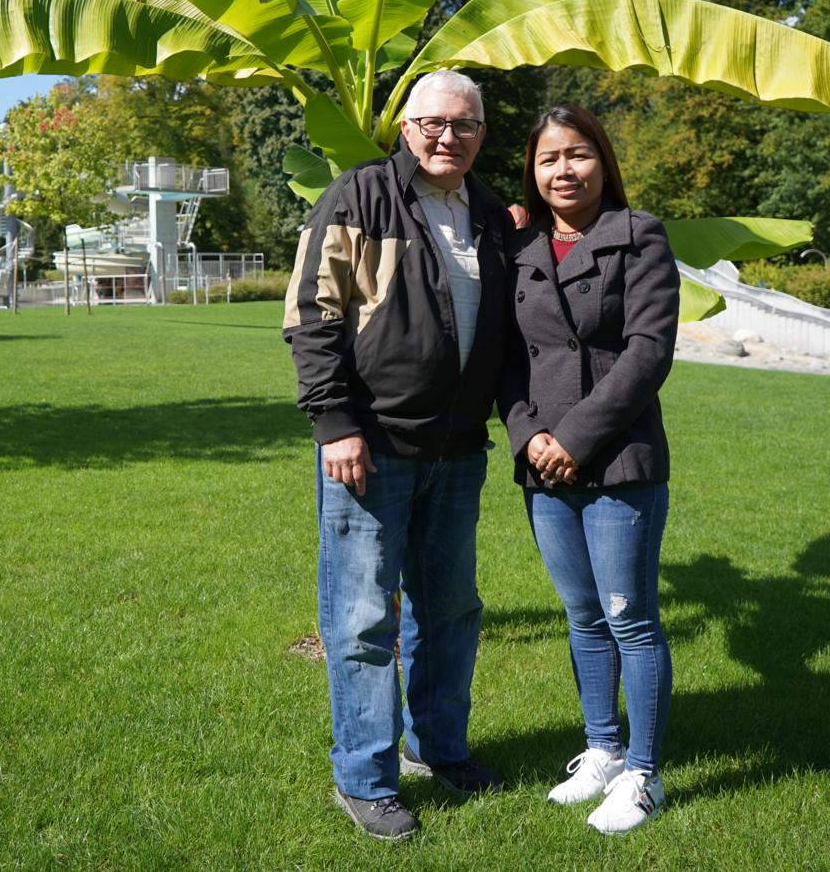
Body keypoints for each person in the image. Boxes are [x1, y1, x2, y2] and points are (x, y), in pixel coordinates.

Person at [283, 70, 513, 841]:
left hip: (456, 450)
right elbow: (312, 314)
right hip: (371, 448)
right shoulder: (359, 195)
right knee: (361, 620)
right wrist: (334, 422)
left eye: (465, 124)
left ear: (483, 132)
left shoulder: (489, 212)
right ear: (407, 127)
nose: (448, 136)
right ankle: (365, 778)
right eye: (434, 122)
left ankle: (438, 748)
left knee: (450, 611)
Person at [499, 103, 680, 835]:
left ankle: (644, 771)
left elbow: (647, 353)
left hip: (619, 460)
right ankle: (601, 747)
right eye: (548, 159)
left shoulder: (639, 237)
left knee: (629, 615)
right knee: (581, 615)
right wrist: (528, 437)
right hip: (543, 466)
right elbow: (505, 363)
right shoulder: (519, 248)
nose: (563, 169)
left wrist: (572, 438)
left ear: (603, 161)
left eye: (577, 154)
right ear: (532, 173)